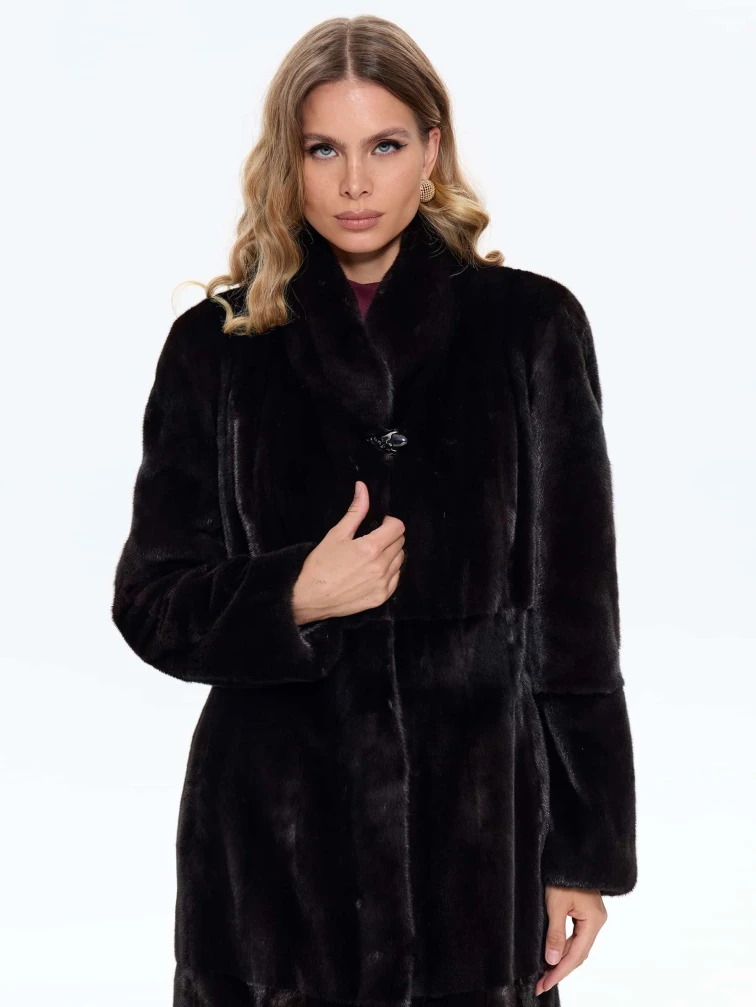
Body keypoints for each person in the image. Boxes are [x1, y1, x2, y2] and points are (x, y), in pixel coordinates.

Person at [112, 15, 637, 1007]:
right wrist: (293, 594)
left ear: (431, 151)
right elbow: (149, 601)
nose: (355, 183)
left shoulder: (529, 329)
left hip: (475, 845)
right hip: (272, 858)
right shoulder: (217, 346)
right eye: (325, 150)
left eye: (384, 146)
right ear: (290, 160)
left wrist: (584, 849)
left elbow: (577, 619)